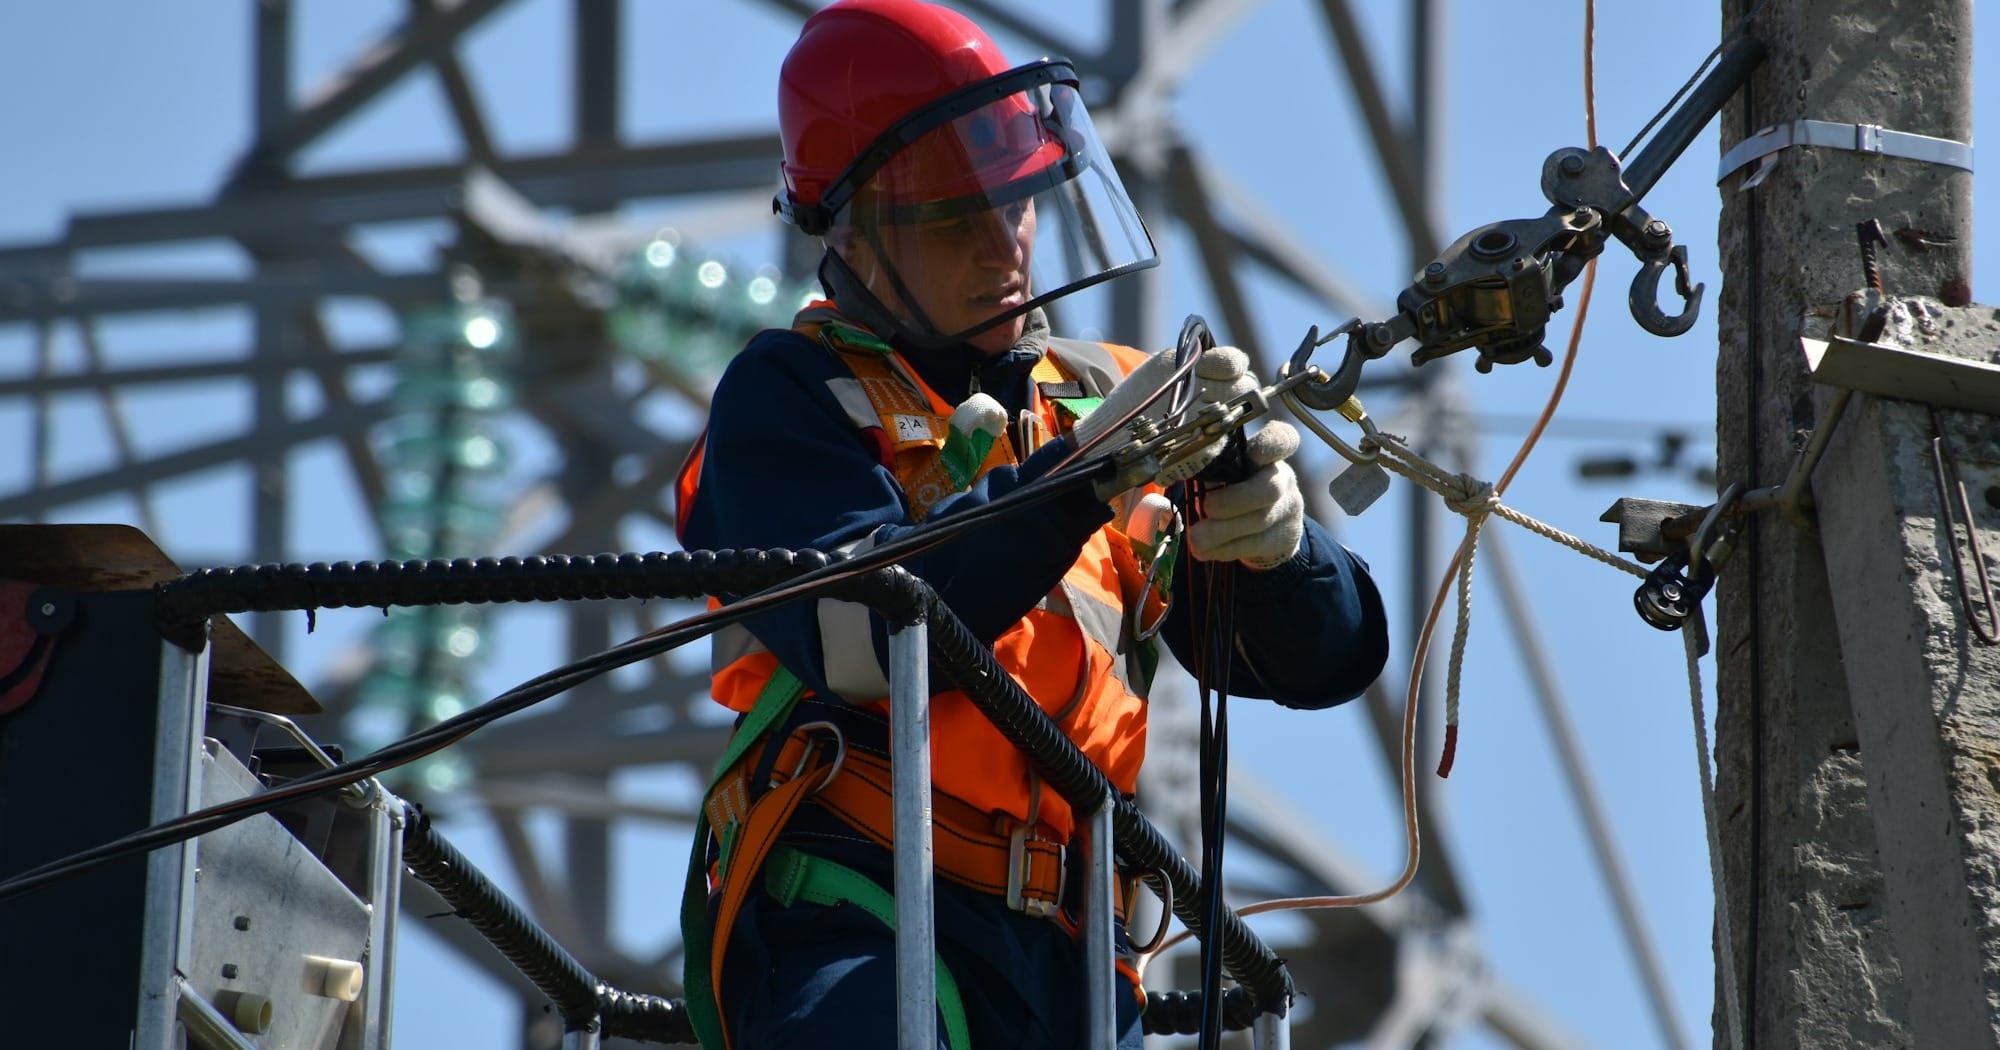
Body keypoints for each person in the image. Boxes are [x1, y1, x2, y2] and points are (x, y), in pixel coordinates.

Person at [673, 2, 1389, 1047]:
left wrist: (1280, 551)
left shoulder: (1096, 399)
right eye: (956, 217)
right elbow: (862, 636)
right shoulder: (791, 396)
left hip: (1076, 964)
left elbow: (1319, 664)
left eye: (1016, 205)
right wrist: (1081, 478)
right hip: (865, 905)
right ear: (859, 234)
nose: (1002, 246)